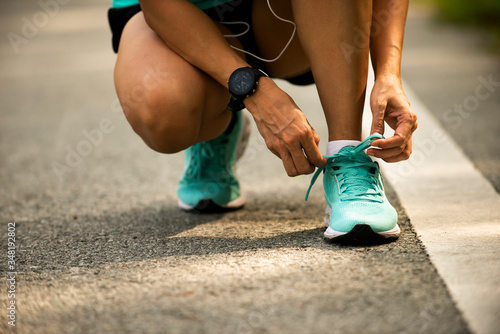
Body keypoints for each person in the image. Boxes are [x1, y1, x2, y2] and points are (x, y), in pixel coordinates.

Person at [107, 0, 417, 242]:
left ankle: (349, 158)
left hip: (289, 18)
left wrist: (389, 74)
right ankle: (221, 118)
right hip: (177, 16)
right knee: (163, 111)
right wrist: (253, 91)